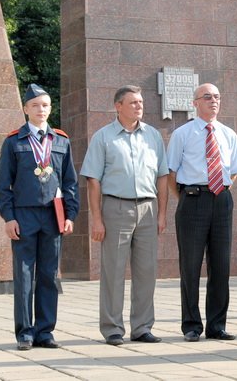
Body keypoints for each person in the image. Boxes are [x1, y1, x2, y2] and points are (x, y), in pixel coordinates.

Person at [80, 85, 169, 346]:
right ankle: (112, 329)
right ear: (118, 106)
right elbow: (93, 180)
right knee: (113, 271)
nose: (139, 106)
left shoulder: (153, 136)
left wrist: (162, 214)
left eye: (140, 102)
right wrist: (97, 219)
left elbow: (163, 176)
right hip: (115, 208)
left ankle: (142, 327)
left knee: (147, 271)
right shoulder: (103, 137)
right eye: (133, 102)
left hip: (148, 209)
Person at [0, 84, 79, 350]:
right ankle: (25, 333)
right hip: (24, 215)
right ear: (25, 109)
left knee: (48, 275)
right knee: (23, 275)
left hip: (53, 216)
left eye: (44, 105)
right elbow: (3, 186)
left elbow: (70, 183)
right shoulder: (14, 142)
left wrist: (70, 215)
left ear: (50, 108)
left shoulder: (61, 140)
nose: (40, 110)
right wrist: (9, 217)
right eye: (34, 105)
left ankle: (45, 331)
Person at [167, 82, 237, 342]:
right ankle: (191, 325)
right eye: (207, 97)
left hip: (221, 200)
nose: (213, 101)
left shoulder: (228, 134)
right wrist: (186, 197)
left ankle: (217, 325)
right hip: (192, 199)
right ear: (195, 103)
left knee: (221, 265)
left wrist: (220, 190)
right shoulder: (182, 134)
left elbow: (234, 170)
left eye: (217, 97)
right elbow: (171, 173)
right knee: (190, 266)